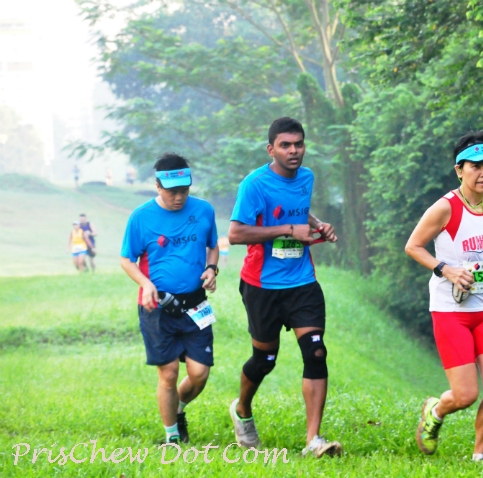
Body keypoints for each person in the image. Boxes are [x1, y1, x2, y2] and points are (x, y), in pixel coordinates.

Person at [405, 131, 483, 461]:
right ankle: (435, 411)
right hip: (451, 311)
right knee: (465, 395)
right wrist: (445, 269)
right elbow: (413, 246)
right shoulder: (444, 208)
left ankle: (480, 458)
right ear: (459, 170)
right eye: (476, 167)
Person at [228, 117, 341, 458]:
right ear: (271, 149)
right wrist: (289, 230)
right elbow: (236, 233)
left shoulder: (306, 177)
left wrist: (317, 224)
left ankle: (313, 440)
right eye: (285, 145)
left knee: (316, 351)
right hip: (262, 285)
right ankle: (242, 409)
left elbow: (299, 211)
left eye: (299, 144)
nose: (294, 151)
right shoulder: (254, 185)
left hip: (302, 282)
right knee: (264, 359)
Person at [120, 153, 219, 444]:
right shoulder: (141, 217)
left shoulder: (204, 210)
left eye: (184, 191)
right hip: (157, 307)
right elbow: (126, 259)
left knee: (200, 373)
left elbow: (213, 246)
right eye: (172, 191)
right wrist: (145, 283)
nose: (179, 197)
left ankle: (177, 409)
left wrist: (212, 268)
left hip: (197, 304)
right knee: (169, 373)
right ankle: (172, 438)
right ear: (157, 186)